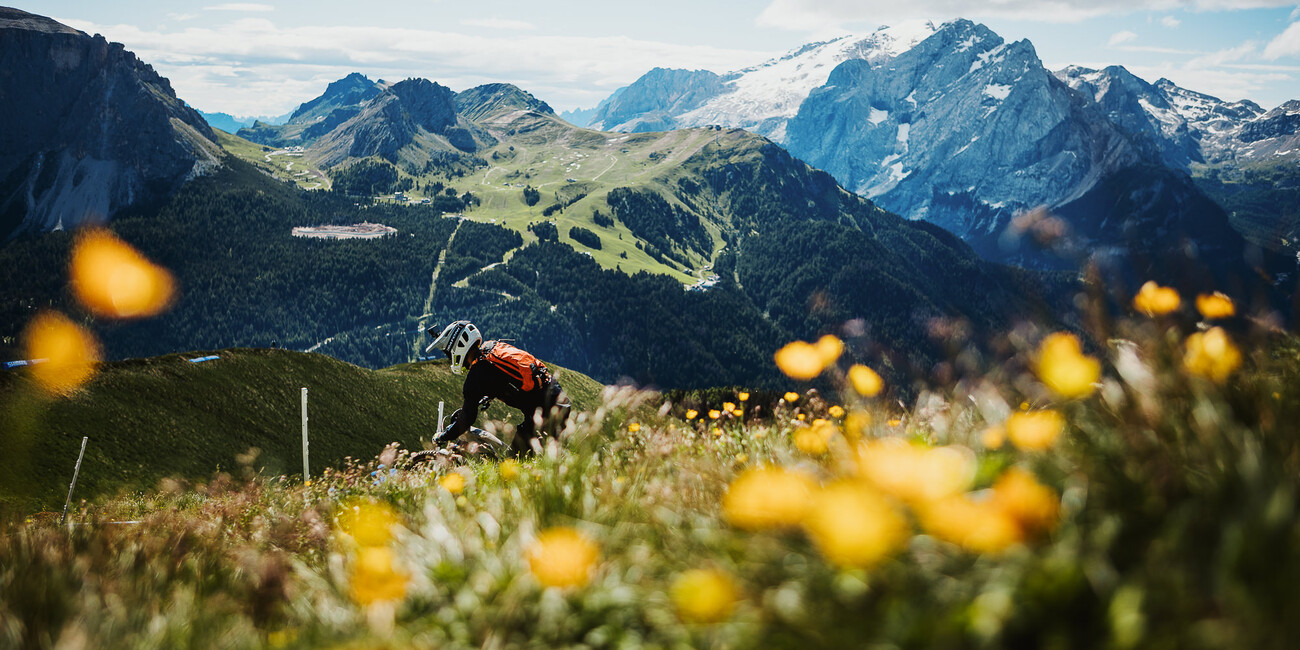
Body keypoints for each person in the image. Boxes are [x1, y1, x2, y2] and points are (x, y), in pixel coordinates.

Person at [426, 320, 570, 456]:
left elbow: (467, 418)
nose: (449, 358)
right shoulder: (491, 348)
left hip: (544, 416)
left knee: (511, 467)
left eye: (448, 354)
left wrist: (444, 435)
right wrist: (488, 395)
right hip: (559, 399)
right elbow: (504, 378)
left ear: (458, 348)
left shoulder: (476, 376)